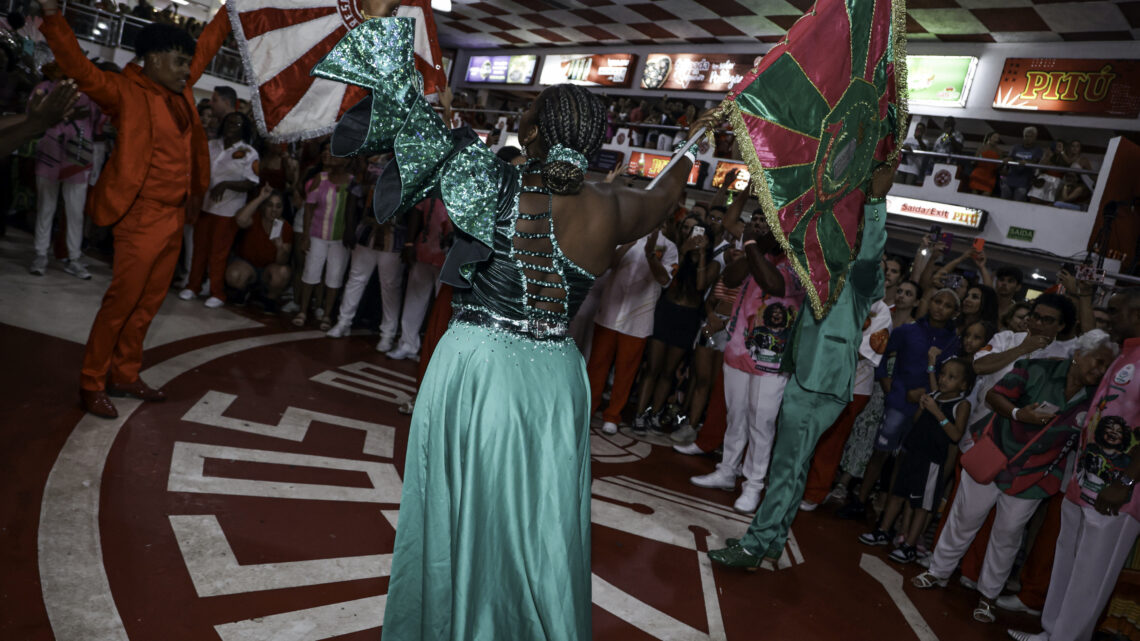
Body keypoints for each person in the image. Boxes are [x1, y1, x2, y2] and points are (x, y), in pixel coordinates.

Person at [310, 5, 704, 638]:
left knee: (459, 511)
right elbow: (665, 195)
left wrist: (377, 26)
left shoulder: (491, 180)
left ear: (541, 132)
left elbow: (405, 121)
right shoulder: (622, 208)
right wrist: (690, 152)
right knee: (540, 524)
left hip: (480, 365)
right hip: (554, 379)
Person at [38, 0, 230, 418]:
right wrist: (53, 17)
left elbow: (207, 47)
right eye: (179, 62)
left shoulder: (178, 87)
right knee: (121, 304)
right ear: (155, 60)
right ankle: (92, 381)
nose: (186, 70)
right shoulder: (125, 91)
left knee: (148, 304)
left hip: (175, 215)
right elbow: (80, 68)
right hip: (139, 215)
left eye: (186, 63)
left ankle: (125, 374)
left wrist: (232, 10)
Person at [707, 162, 894, 568]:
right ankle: (773, 539)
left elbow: (871, 250)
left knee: (786, 466)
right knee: (795, 465)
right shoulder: (823, 272)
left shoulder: (863, 276)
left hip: (820, 381)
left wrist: (876, 201)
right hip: (809, 375)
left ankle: (755, 546)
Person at [912, 330, 1117, 624]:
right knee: (964, 518)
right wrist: (1021, 414)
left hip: (1034, 476)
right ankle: (938, 572)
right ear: (1078, 355)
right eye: (1096, 362)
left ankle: (987, 597)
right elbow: (995, 396)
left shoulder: (1098, 397)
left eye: (1105, 367)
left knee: (1008, 536)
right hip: (995, 456)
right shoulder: (1037, 368)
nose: (1099, 371)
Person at [1009, 291, 1140, 641]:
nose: (1108, 318)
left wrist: (1126, 482)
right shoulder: (1121, 352)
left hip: (1117, 490)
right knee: (1068, 560)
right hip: (1085, 478)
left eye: (1115, 310)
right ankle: (1051, 631)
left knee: (1091, 574)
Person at [689, 213, 806, 514]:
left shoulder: (801, 263)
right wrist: (757, 246)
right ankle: (727, 471)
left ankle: (753, 485)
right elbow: (730, 278)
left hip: (772, 358)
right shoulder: (758, 253)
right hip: (739, 349)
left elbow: (774, 284)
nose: (767, 230)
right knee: (736, 416)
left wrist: (754, 243)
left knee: (761, 423)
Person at [837, 288, 962, 519]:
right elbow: (883, 357)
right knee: (880, 453)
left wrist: (930, 396)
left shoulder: (954, 342)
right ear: (929, 302)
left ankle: (887, 514)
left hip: (928, 410)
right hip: (899, 402)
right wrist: (890, 389)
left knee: (905, 460)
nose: (939, 307)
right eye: (936, 301)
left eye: (947, 305)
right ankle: (859, 500)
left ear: (955, 312)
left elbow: (953, 376)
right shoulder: (908, 330)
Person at [859, 358, 974, 562]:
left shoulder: (961, 404)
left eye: (951, 377)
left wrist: (937, 412)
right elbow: (917, 421)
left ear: (964, 385)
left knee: (923, 505)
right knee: (898, 494)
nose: (944, 379)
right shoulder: (933, 395)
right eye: (943, 374)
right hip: (913, 453)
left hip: (932, 462)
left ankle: (910, 545)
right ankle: (884, 530)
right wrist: (923, 407)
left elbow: (956, 435)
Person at [587, 225, 678, 435]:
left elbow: (665, 280)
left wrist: (651, 255)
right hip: (610, 311)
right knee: (597, 366)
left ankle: (612, 415)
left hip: (638, 318)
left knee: (625, 372)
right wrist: (627, 244)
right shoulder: (626, 235)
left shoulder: (670, 247)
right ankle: (588, 409)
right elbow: (607, 265)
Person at [632, 215, 718, 434]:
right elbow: (670, 279)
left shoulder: (713, 264)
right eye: (693, 233)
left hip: (688, 318)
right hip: (667, 312)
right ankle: (639, 414)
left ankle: (655, 413)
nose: (696, 238)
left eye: (702, 236)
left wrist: (699, 256)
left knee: (668, 372)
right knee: (653, 367)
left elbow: (700, 287)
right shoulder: (676, 251)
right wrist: (685, 251)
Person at [179, 111, 259, 307]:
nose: (232, 126)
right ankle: (193, 286)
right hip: (205, 206)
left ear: (244, 129)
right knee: (199, 249)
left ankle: (217, 292)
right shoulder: (211, 145)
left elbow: (252, 182)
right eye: (229, 122)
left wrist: (226, 185)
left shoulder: (249, 152)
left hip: (228, 209)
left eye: (238, 124)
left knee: (218, 252)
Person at [27, 71, 102, 279]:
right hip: (50, 149)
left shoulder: (89, 92)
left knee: (76, 210)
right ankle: (41, 254)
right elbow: (32, 116)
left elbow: (98, 122)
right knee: (46, 206)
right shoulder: (45, 88)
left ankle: (74, 258)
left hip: (79, 152)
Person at [382, 194, 453, 360]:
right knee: (414, 298)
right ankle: (407, 344)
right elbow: (417, 210)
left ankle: (438, 353)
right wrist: (409, 243)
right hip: (425, 247)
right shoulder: (432, 184)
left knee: (443, 307)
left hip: (449, 256)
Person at [294, 148, 355, 329]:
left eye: (339, 156)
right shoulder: (321, 179)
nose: (334, 158)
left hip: (339, 239)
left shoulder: (352, 182)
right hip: (317, 235)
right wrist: (305, 235)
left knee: (334, 277)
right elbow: (309, 207)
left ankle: (327, 315)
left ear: (346, 161)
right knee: (311, 272)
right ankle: (303, 311)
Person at [225, 185, 293, 311]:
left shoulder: (285, 227)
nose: (274, 210)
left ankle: (269, 298)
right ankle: (244, 290)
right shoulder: (255, 217)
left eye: (278, 206)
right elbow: (240, 219)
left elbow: (282, 262)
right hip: (247, 265)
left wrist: (280, 248)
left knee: (283, 273)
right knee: (234, 275)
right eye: (270, 205)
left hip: (268, 271)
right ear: (263, 206)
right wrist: (261, 197)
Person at [1001, 126, 1044, 202]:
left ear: (1035, 137)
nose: (1028, 138)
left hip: (1024, 182)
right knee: (1004, 196)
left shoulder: (1038, 150)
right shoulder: (1016, 147)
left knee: (1018, 199)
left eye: (1030, 136)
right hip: (1010, 179)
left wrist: (1027, 163)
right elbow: (1010, 157)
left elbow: (1037, 162)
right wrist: (1007, 159)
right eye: (1026, 136)